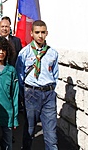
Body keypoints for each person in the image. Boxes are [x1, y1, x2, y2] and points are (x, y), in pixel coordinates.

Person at [16, 20, 59, 150]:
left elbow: (55, 74)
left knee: (51, 134)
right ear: (32, 34)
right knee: (29, 129)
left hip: (49, 94)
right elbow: (20, 75)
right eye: (37, 32)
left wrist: (49, 89)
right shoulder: (24, 53)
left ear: (47, 33)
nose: (40, 35)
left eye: (43, 32)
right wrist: (25, 94)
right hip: (31, 94)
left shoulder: (53, 53)